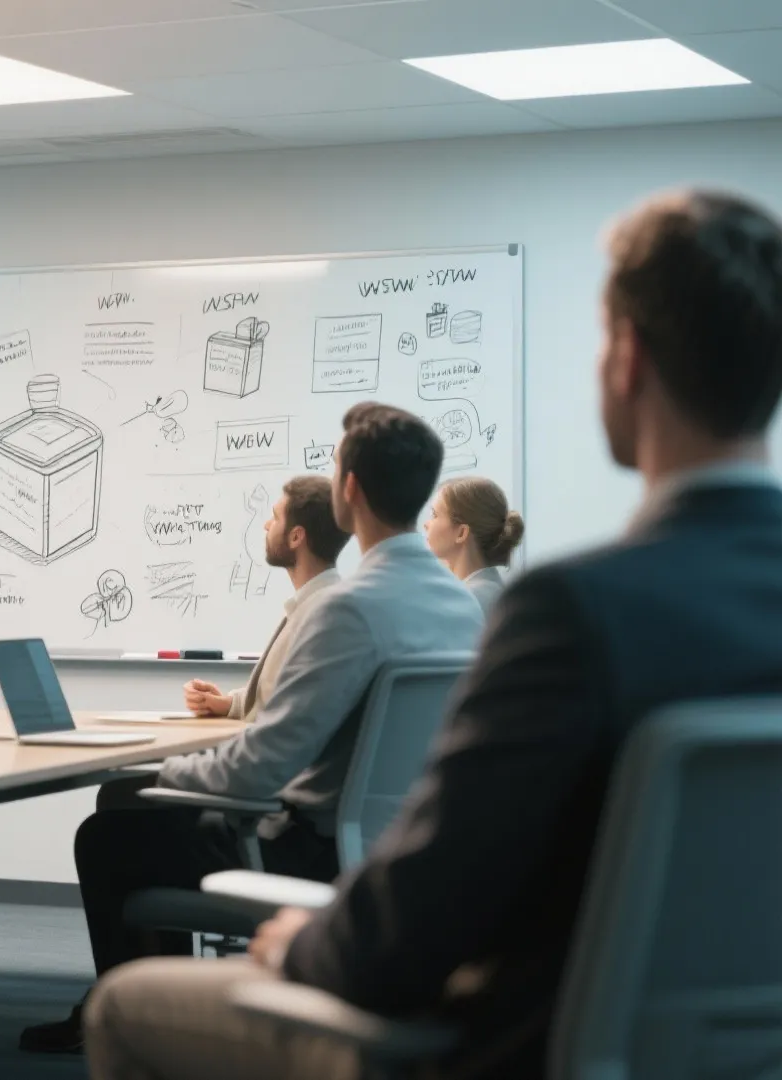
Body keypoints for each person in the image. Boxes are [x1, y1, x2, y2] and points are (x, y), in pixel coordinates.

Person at [82, 190, 782, 1080]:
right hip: (726, 1049)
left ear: (628, 358)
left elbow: (428, 908)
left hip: (511, 1038)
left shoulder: (574, 611)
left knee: (125, 1010)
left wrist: (299, 948)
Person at [23, 404, 482, 1056]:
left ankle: (136, 1024)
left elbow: (260, 768)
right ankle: (158, 1003)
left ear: (349, 488)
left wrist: (166, 776)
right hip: (404, 849)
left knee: (106, 838)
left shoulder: (352, 608)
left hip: (314, 851)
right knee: (138, 826)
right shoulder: (461, 605)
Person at [180, 474, 351, 726]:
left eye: (276, 517)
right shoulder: (312, 605)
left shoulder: (323, 617)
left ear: (296, 537)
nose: (266, 525)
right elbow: (278, 698)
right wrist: (229, 703)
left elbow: (287, 722)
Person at [423, 476, 524, 613]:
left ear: (461, 533)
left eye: (434, 515)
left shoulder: (464, 602)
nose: (426, 525)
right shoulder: (493, 592)